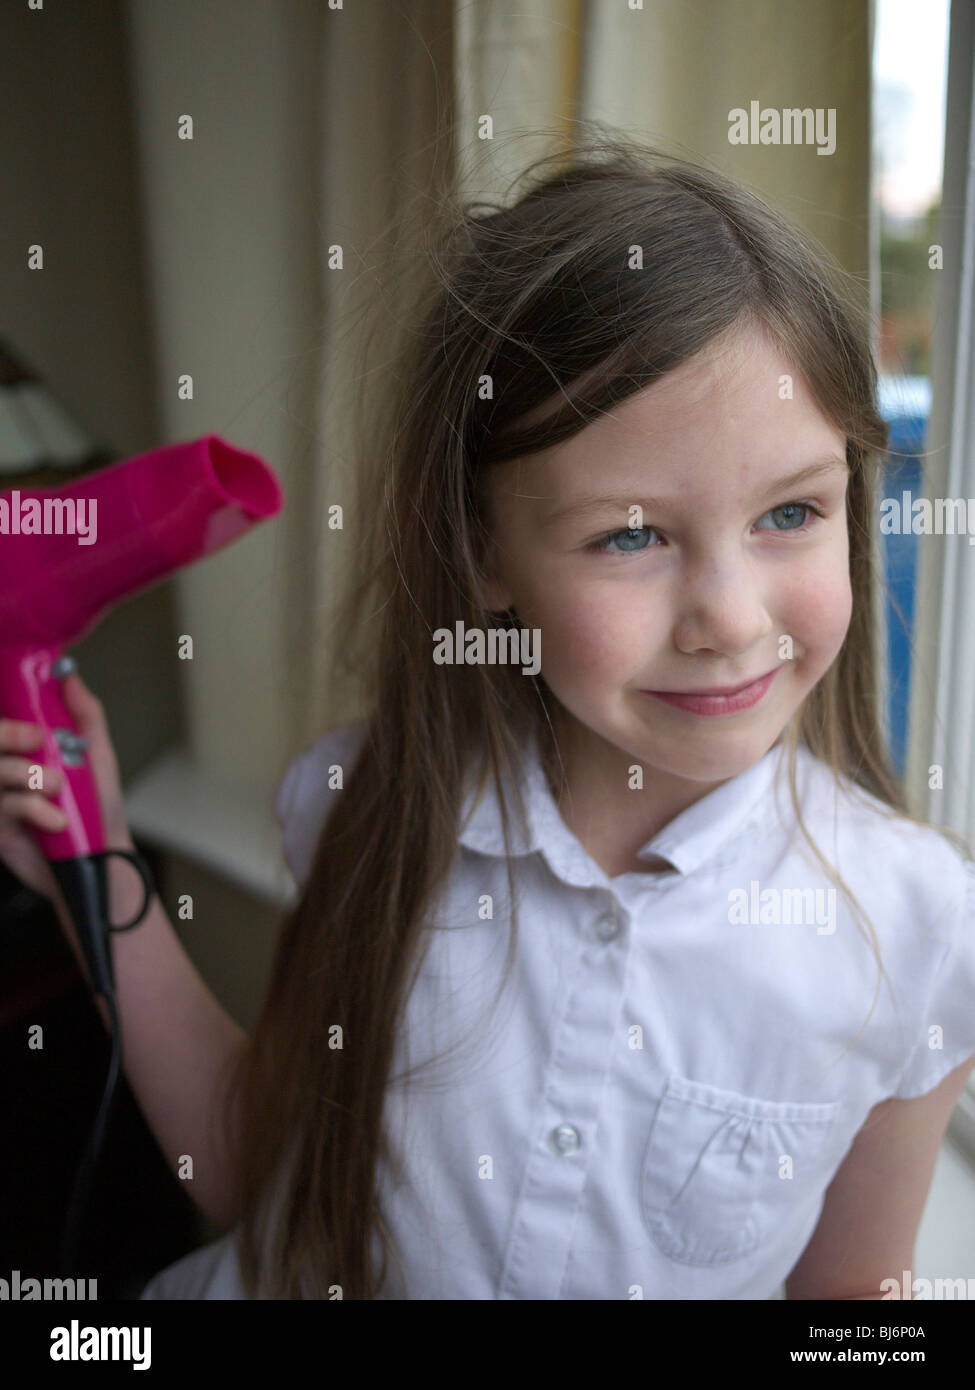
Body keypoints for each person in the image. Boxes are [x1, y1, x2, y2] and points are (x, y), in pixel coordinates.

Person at [3, 135, 975, 1301]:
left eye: (793, 513)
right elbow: (260, 1182)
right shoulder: (365, 808)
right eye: (630, 535)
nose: (727, 614)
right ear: (481, 555)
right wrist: (92, 859)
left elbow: (856, 1290)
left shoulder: (919, 935)